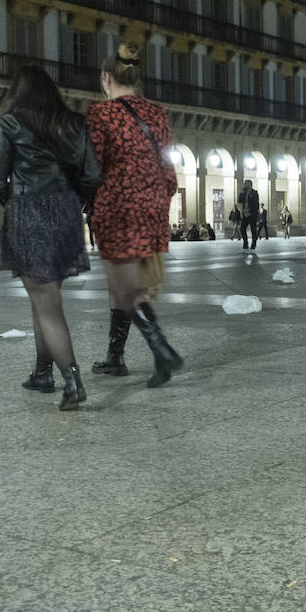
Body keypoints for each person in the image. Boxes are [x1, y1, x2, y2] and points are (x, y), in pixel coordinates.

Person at [0, 64, 102, 411]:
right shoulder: (76, 123)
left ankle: (72, 380)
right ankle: (42, 372)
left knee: (47, 305)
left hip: (29, 213)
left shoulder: (11, 122)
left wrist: (16, 203)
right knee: (43, 299)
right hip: (65, 214)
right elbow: (93, 175)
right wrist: (73, 201)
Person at [86, 42, 185, 388]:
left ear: (105, 79)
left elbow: (92, 167)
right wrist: (161, 197)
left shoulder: (100, 115)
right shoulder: (158, 114)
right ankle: (115, 356)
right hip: (153, 204)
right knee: (123, 283)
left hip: (118, 206)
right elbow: (167, 165)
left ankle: (163, 351)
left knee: (127, 287)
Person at [238, 180, 261, 249]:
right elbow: (239, 201)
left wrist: (255, 214)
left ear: (250, 184)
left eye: (246, 184)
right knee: (242, 229)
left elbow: (256, 204)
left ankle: (253, 244)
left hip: (252, 214)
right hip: (245, 214)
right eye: (244, 184)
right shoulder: (244, 193)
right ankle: (245, 243)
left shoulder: (254, 193)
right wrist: (242, 192)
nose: (245, 185)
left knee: (253, 230)